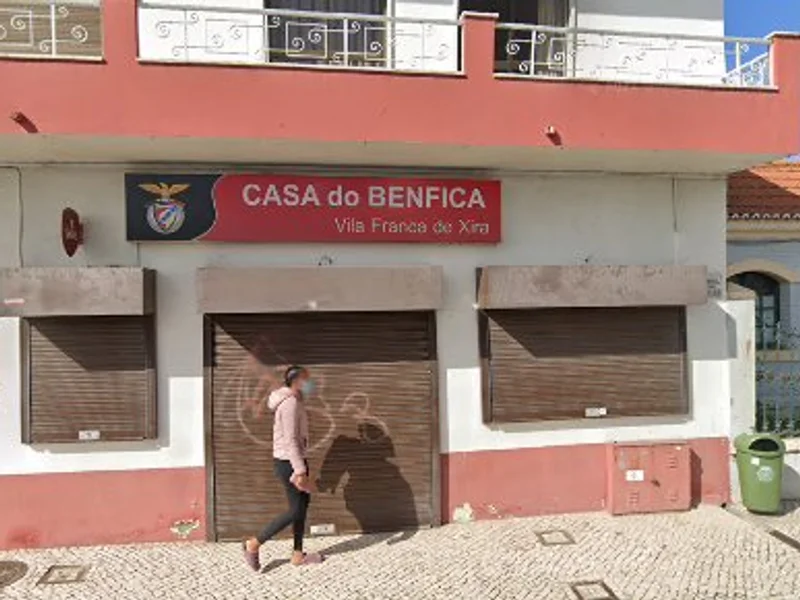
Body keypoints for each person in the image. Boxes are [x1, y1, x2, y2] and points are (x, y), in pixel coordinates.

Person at [243, 365, 323, 571]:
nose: (310, 384)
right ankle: (253, 544)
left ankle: (298, 554)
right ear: (297, 382)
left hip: (295, 460)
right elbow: (290, 440)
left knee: (302, 507)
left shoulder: (294, 401)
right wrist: (300, 471)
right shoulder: (290, 404)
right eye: (307, 379)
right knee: (295, 510)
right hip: (289, 463)